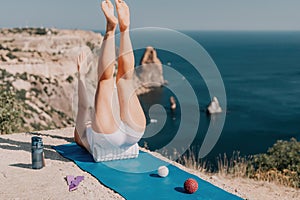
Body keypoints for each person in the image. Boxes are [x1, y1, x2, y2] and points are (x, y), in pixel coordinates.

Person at [74, 0, 146, 161]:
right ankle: (124, 30)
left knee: (107, 80)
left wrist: (81, 76)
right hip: (133, 137)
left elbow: (83, 106)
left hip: (112, 139)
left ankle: (110, 30)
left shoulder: (80, 136)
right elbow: (84, 108)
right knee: (126, 78)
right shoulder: (83, 132)